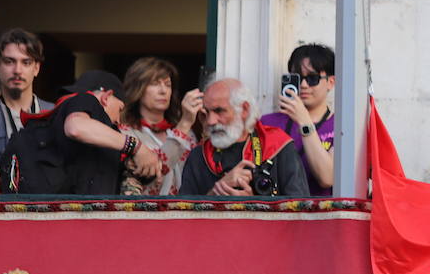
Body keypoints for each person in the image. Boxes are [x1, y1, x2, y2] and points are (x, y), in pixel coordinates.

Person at [0, 70, 162, 195]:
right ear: (106, 97)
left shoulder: (49, 125)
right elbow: (76, 128)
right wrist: (135, 146)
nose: (119, 121)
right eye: (120, 109)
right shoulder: (86, 100)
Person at [178, 78, 308, 197]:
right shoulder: (199, 156)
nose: (211, 121)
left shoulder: (278, 146)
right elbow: (183, 219)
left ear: (244, 110)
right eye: (207, 112)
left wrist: (252, 204)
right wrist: (216, 193)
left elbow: (300, 214)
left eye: (219, 111)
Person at [117, 57, 203, 196]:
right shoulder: (125, 132)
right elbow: (155, 172)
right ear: (137, 88)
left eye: (168, 84)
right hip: (147, 214)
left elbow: (200, 173)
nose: (163, 91)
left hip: (185, 212)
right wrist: (185, 123)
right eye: (155, 84)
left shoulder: (187, 133)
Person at [260, 44, 336, 196]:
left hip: (321, 216)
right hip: (276, 213)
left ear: (331, 82)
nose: (303, 85)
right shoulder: (268, 122)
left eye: (312, 78)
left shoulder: (341, 126)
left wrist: (304, 122)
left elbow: (327, 177)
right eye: (298, 78)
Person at [0, 28, 53, 173]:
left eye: (26, 62)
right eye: (9, 61)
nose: (17, 70)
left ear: (36, 68)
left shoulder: (54, 114)